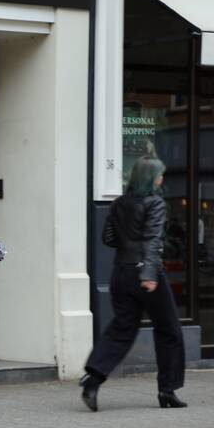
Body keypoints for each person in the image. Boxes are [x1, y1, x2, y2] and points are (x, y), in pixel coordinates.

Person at [80, 156, 186, 411]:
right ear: (151, 178)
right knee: (169, 331)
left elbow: (108, 237)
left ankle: (93, 379)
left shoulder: (120, 203)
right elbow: (151, 239)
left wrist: (128, 245)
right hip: (147, 274)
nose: (162, 179)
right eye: (159, 174)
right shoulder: (155, 203)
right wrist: (148, 274)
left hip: (121, 273)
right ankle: (167, 391)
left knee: (123, 328)